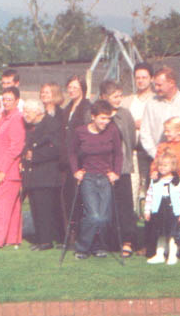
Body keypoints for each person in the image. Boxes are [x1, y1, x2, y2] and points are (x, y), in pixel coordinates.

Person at [67, 100, 123, 259]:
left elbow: (119, 154)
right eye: (102, 118)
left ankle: (97, 246)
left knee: (104, 217)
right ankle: (82, 247)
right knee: (93, 215)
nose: (106, 122)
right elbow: (71, 152)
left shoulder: (112, 131)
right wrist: (75, 171)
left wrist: (116, 172)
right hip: (88, 178)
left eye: (108, 119)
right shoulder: (80, 132)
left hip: (105, 177)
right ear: (93, 117)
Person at [100, 80, 138, 257]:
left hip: (121, 168)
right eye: (114, 96)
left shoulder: (125, 114)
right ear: (104, 97)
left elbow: (130, 139)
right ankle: (108, 241)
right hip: (101, 168)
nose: (118, 99)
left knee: (124, 206)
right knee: (105, 205)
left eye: (120, 96)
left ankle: (127, 242)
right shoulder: (96, 113)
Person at [21, 99, 63, 250]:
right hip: (34, 174)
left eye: (27, 111)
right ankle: (40, 239)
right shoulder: (32, 126)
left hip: (47, 173)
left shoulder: (51, 124)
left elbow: (57, 148)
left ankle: (46, 241)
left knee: (44, 208)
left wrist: (36, 155)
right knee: (36, 207)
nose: (24, 114)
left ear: (38, 111)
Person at [140, 66, 180, 160]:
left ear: (171, 83)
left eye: (159, 85)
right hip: (160, 161)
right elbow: (145, 133)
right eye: (155, 85)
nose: (156, 88)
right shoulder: (151, 104)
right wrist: (156, 155)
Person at [0, 87, 26, 250]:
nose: (5, 102)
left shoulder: (16, 118)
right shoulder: (5, 117)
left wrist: (2, 169)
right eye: (3, 99)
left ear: (17, 101)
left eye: (9, 99)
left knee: (1, 207)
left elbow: (16, 147)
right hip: (6, 170)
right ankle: (12, 238)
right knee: (12, 207)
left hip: (8, 171)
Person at [61, 75, 92, 237]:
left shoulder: (86, 107)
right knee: (68, 197)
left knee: (80, 198)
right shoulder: (67, 108)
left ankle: (82, 233)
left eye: (75, 87)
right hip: (67, 160)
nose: (71, 90)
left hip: (80, 160)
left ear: (82, 88)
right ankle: (71, 231)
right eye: (69, 87)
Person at [144, 153, 180, 265]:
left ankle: (172, 255)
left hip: (173, 211)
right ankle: (160, 255)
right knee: (160, 233)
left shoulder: (177, 181)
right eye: (160, 165)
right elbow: (150, 195)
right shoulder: (155, 180)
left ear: (172, 167)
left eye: (166, 165)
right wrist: (147, 210)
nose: (162, 168)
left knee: (172, 234)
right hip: (158, 210)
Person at [121, 63, 156, 192]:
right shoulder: (127, 101)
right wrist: (131, 124)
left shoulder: (156, 100)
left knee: (149, 190)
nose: (140, 81)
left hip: (150, 153)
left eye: (144, 77)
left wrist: (146, 124)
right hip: (132, 152)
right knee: (132, 189)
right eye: (138, 78)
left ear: (151, 79)